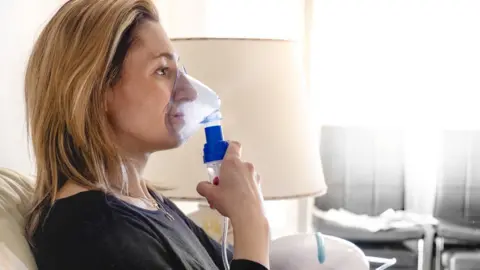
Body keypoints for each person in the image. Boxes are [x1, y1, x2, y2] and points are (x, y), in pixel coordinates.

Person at [24, 0, 270, 269]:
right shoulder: (87, 232)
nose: (188, 92)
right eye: (162, 70)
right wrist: (252, 225)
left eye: (180, 71)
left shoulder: (150, 205)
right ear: (96, 90)